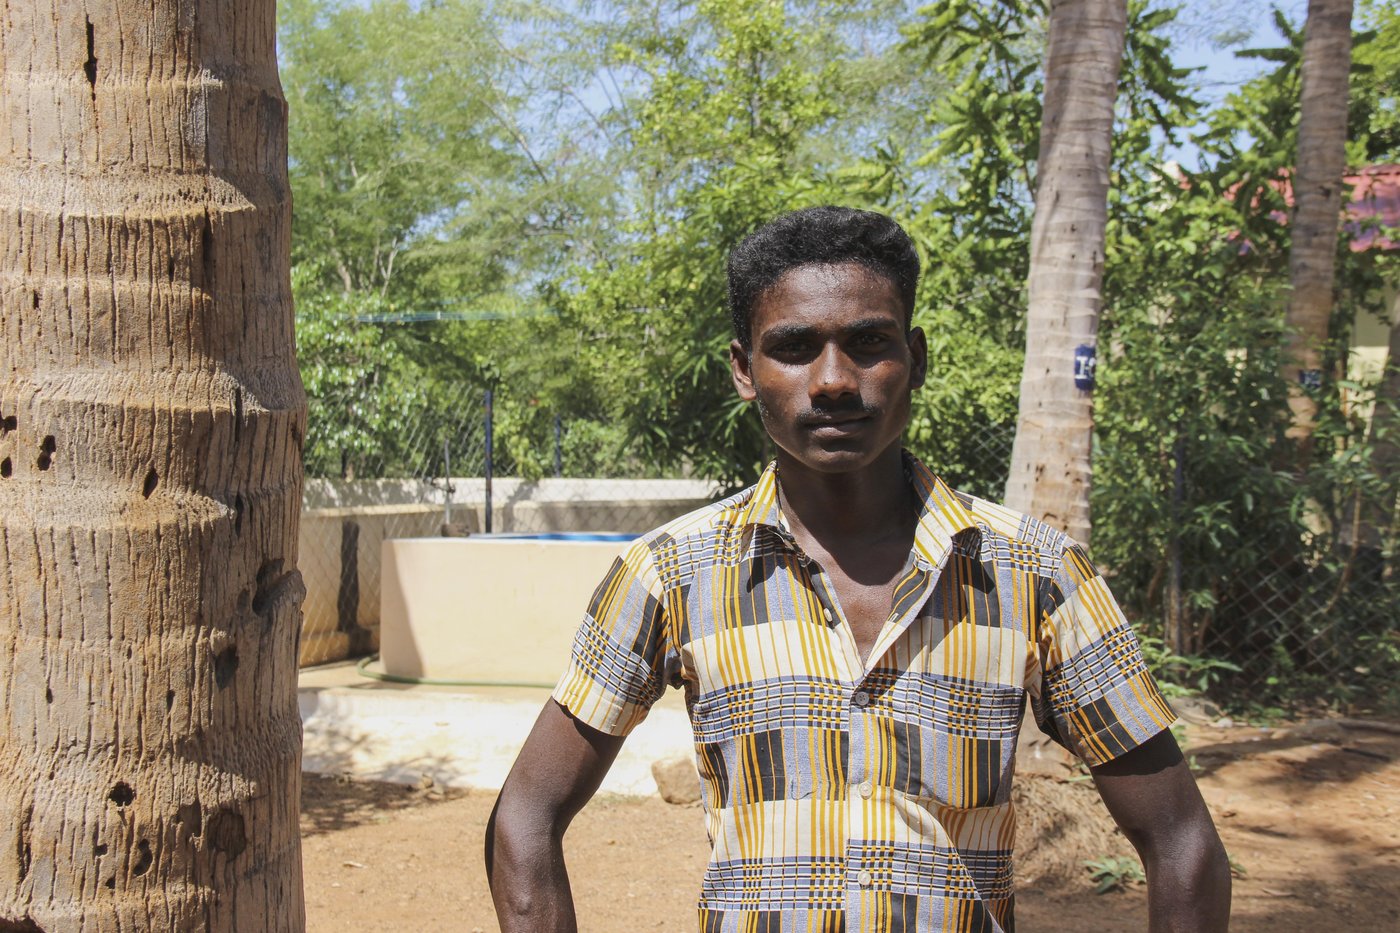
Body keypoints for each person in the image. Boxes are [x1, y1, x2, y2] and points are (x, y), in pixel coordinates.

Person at [485, 206, 1231, 932]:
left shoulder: (1031, 570)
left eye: (869, 342)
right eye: (795, 347)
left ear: (918, 359)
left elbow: (1181, 842)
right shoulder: (671, 573)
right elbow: (524, 815)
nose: (835, 379)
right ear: (746, 370)